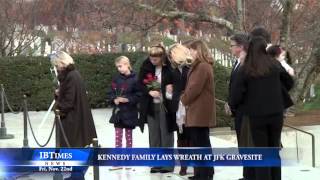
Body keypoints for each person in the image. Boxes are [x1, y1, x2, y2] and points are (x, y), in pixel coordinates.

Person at [230, 37, 294, 180]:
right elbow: (289, 82)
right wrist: (276, 92)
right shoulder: (274, 64)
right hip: (276, 114)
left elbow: (236, 95)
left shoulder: (246, 67)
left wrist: (238, 106)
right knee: (273, 151)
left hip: (256, 116)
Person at [51, 51, 97, 180]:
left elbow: (69, 101)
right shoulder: (73, 74)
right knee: (76, 148)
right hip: (77, 116)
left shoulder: (71, 76)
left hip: (73, 119)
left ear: (62, 63)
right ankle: (76, 175)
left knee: (73, 148)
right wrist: (59, 93)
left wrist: (58, 107)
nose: (56, 68)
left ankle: (77, 176)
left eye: (57, 65)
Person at [181, 40, 215, 180]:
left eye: (192, 50)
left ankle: (205, 174)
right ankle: (201, 173)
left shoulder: (202, 66)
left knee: (201, 143)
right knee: (199, 143)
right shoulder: (200, 66)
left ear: (198, 50)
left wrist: (183, 99)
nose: (190, 52)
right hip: (198, 110)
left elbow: (194, 88)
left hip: (200, 111)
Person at [138, 44, 175, 173]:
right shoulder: (146, 65)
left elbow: (174, 82)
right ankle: (156, 163)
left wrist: (167, 89)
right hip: (151, 105)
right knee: (154, 135)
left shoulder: (168, 67)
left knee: (166, 134)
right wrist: (149, 92)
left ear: (162, 57)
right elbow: (140, 83)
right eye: (151, 58)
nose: (152, 61)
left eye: (155, 59)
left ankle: (168, 164)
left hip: (166, 105)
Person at [107, 56, 141, 170]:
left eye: (121, 66)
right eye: (118, 67)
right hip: (118, 114)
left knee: (128, 137)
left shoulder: (136, 78)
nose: (119, 69)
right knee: (118, 137)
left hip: (130, 113)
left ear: (127, 64)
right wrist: (114, 99)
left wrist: (128, 99)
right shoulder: (116, 78)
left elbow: (139, 95)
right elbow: (110, 92)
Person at [167, 43, 192, 176]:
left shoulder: (191, 67)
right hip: (177, 105)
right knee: (180, 136)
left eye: (171, 54)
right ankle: (183, 165)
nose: (170, 57)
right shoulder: (173, 70)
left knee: (191, 136)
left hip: (190, 104)